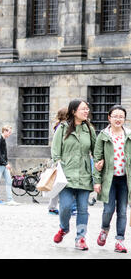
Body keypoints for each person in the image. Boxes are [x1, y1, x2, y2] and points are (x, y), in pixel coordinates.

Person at [51, 99, 96, 251]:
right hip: (66, 176)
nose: (86, 111)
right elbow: (55, 152)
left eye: (87, 109)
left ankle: (81, 238)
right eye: (83, 109)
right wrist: (58, 165)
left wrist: (99, 163)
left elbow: (96, 151)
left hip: (84, 175)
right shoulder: (62, 128)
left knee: (83, 209)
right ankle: (64, 228)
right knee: (65, 207)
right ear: (73, 111)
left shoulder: (89, 129)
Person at [93, 105, 131, 253]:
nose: (118, 119)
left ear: (124, 119)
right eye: (115, 116)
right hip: (108, 179)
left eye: (121, 116)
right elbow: (97, 160)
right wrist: (97, 181)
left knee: (122, 211)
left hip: (125, 180)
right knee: (108, 209)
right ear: (109, 118)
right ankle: (104, 230)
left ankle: (119, 241)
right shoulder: (103, 136)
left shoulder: (128, 135)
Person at [48, 107, 68, 215]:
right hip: (59, 159)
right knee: (59, 183)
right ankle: (52, 207)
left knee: (57, 183)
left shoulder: (58, 125)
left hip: (56, 159)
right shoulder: (61, 127)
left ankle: (52, 207)